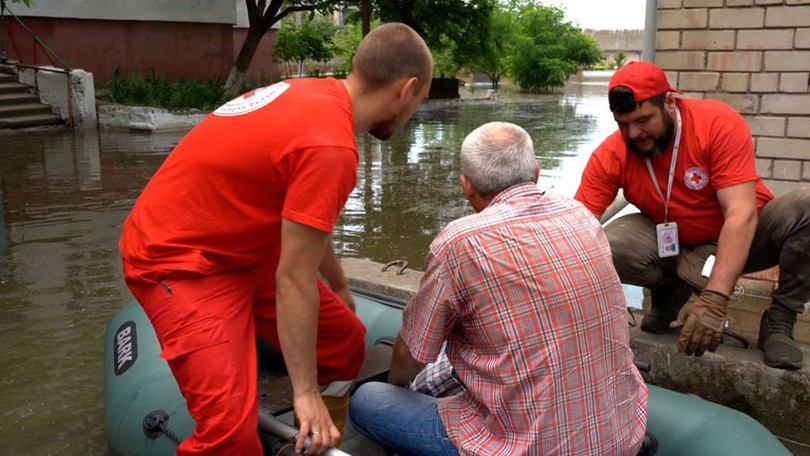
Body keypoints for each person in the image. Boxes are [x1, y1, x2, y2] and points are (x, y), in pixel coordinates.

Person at [119, 23, 432, 456]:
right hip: (181, 261)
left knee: (344, 344)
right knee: (228, 434)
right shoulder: (331, 148)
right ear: (408, 89)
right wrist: (304, 392)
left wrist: (339, 284)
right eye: (420, 100)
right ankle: (287, 409)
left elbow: (305, 221)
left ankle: (321, 437)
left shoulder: (312, 94)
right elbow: (293, 280)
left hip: (244, 247)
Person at [350, 122, 649, 456]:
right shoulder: (580, 215)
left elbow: (412, 354)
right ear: (536, 173)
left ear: (466, 186)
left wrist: (400, 389)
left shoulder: (459, 240)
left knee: (369, 400)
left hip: (522, 448)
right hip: (622, 435)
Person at [575, 61, 810, 370]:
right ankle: (668, 293)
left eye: (643, 120)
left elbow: (740, 213)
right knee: (611, 245)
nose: (633, 133)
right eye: (623, 123)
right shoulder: (613, 152)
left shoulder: (717, 123)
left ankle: (780, 320)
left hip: (746, 236)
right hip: (675, 245)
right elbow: (575, 228)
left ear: (670, 102)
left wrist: (715, 299)